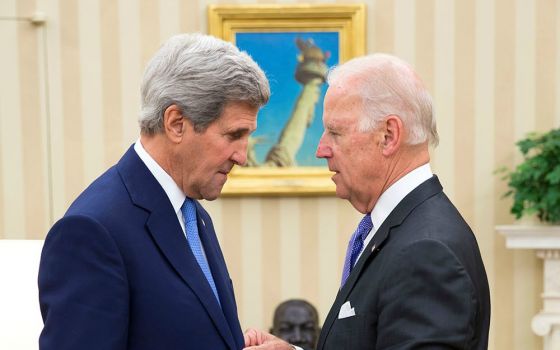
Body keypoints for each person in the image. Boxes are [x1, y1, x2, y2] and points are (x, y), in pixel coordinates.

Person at [38, 33, 270, 350]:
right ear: (176, 123)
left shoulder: (191, 212)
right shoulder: (92, 231)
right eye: (233, 135)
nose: (243, 156)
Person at [244, 53, 490, 349]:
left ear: (389, 135)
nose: (321, 149)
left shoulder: (425, 251)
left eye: (335, 132)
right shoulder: (405, 227)